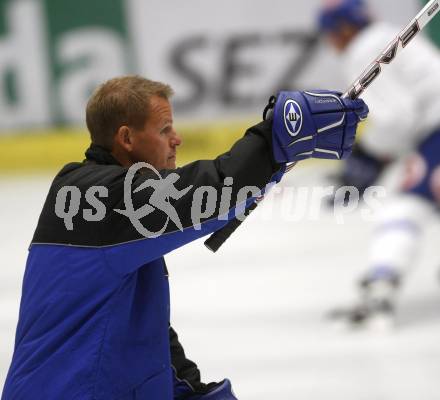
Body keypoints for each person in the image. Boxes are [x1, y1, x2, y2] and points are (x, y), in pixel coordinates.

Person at [1, 75, 367, 399]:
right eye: (164, 130)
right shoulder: (89, 197)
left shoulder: (113, 217)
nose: (177, 139)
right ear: (126, 138)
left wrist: (190, 390)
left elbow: (142, 333)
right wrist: (273, 137)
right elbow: (201, 195)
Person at [318, 0, 440, 328]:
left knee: (406, 206)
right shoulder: (387, 35)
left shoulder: (363, 49)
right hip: (433, 132)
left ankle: (380, 292)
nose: (329, 41)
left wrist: (369, 155)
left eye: (329, 32)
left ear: (342, 28)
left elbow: (398, 119)